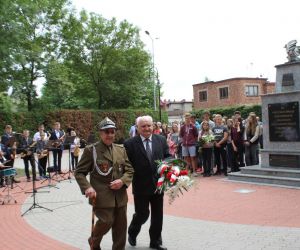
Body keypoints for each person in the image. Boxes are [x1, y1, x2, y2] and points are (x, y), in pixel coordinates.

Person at [75, 117, 134, 250]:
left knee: (120, 228)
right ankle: (94, 240)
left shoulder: (121, 149)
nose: (110, 135)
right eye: (106, 132)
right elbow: (79, 172)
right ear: (100, 133)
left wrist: (122, 181)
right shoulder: (92, 150)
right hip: (101, 196)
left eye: (112, 132)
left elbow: (129, 170)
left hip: (120, 196)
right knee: (106, 221)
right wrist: (87, 187)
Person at [124, 115, 169, 250]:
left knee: (157, 215)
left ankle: (155, 241)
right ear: (137, 128)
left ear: (153, 126)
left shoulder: (161, 140)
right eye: (143, 126)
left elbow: (168, 156)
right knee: (142, 214)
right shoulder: (129, 144)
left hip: (158, 185)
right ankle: (132, 231)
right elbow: (126, 165)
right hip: (141, 186)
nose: (147, 128)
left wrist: (170, 166)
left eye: (149, 125)